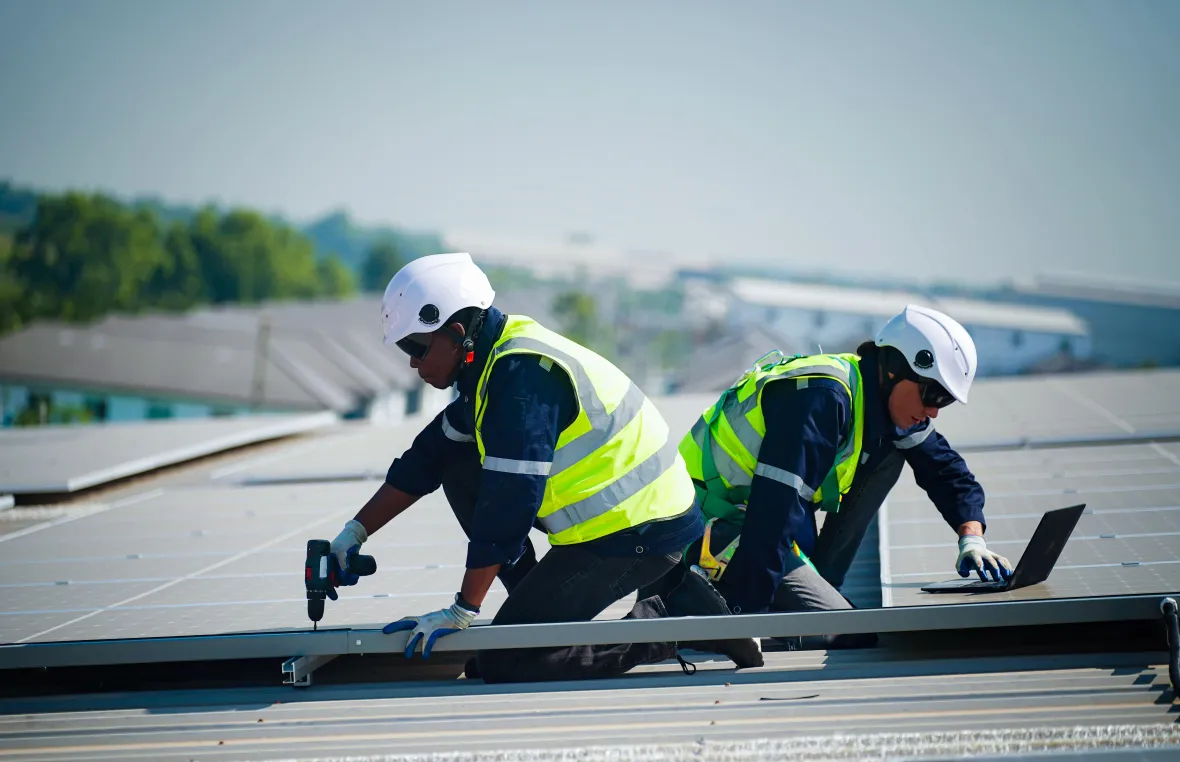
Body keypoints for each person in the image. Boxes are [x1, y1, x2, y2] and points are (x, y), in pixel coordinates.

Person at [321, 253, 762, 683]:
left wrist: (463, 611)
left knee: (506, 662)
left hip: (639, 530)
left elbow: (509, 504)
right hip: (615, 526)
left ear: (457, 333)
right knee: (455, 458)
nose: (413, 363)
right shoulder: (491, 362)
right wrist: (353, 534)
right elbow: (430, 455)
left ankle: (675, 619)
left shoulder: (522, 380)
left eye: (415, 348)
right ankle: (535, 604)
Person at [649, 305, 1011, 649]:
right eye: (932, 393)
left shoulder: (876, 399)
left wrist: (972, 538)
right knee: (848, 634)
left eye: (944, 400)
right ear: (892, 370)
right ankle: (698, 610)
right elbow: (774, 517)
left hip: (748, 521)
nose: (933, 410)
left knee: (893, 452)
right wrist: (747, 621)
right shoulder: (821, 400)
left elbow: (946, 470)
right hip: (700, 531)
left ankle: (816, 590)